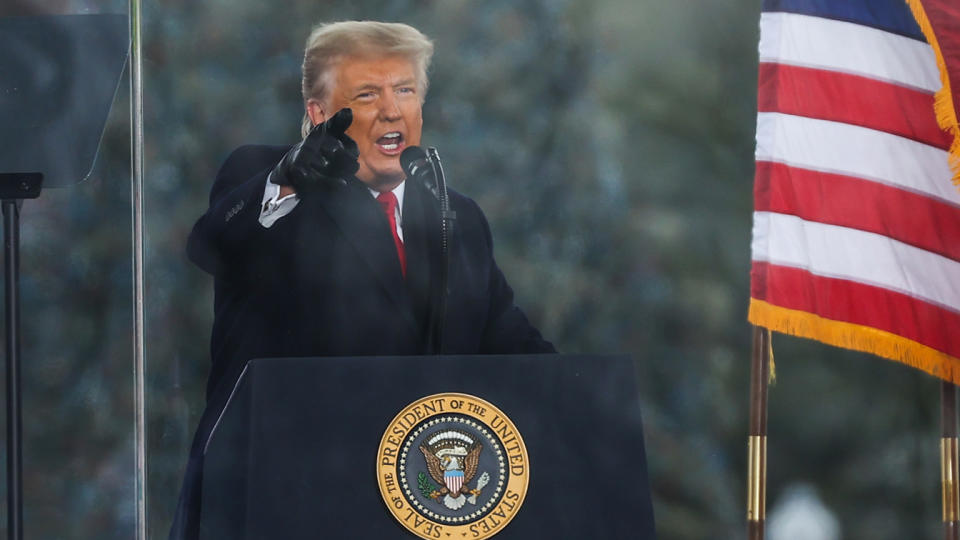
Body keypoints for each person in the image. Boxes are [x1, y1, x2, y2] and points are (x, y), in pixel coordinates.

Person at [171, 21, 554, 538]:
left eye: (405, 90)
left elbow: (508, 339)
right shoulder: (270, 179)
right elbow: (209, 244)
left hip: (415, 503)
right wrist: (288, 177)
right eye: (367, 94)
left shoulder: (455, 215)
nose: (392, 110)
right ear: (319, 113)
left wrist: (578, 398)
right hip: (279, 496)